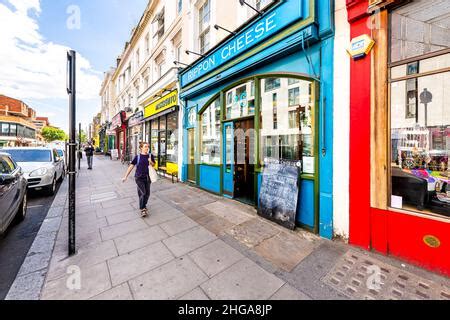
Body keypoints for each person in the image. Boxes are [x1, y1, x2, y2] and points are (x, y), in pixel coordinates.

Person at [122, 142, 155, 217]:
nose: (147, 148)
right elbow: (131, 166)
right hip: (139, 178)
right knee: (143, 193)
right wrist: (125, 176)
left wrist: (150, 161)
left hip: (148, 177)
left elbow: (153, 165)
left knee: (147, 194)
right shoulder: (138, 157)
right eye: (145, 146)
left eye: (148, 147)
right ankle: (142, 208)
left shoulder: (150, 156)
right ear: (141, 148)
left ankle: (144, 204)